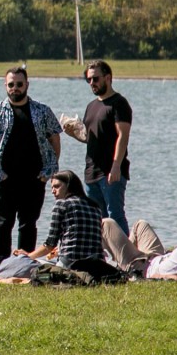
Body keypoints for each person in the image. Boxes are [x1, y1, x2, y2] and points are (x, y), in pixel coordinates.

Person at [0, 67, 62, 268]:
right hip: (4, 178)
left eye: (19, 84)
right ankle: (1, 266)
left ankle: (24, 264)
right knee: (3, 223)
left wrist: (48, 171)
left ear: (27, 85)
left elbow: (55, 139)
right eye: (11, 84)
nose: (15, 88)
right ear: (5, 85)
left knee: (28, 224)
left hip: (34, 179)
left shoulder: (42, 111)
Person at [63, 59, 132, 235]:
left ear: (108, 78)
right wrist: (73, 133)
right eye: (88, 79)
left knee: (115, 216)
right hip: (91, 171)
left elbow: (123, 136)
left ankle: (126, 252)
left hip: (111, 171)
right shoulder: (91, 106)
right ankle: (104, 251)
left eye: (95, 79)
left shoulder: (119, 103)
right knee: (96, 219)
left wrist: (116, 165)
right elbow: (90, 138)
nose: (92, 83)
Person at [14, 170, 104, 268]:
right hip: (97, 264)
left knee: (24, 265)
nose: (53, 191)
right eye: (52, 187)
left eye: (57, 186)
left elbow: (50, 245)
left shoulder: (61, 204)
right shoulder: (95, 206)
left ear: (69, 185)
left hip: (70, 263)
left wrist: (27, 256)